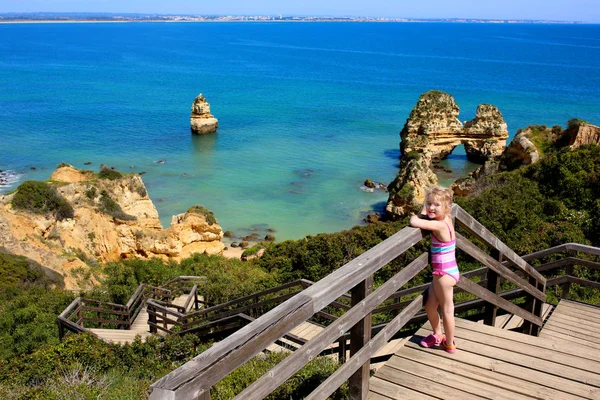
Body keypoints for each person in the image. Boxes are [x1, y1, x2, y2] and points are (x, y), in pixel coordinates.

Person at [410, 187, 458, 353]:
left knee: (447, 310)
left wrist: (415, 215)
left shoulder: (438, 225)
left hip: (443, 274)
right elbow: (431, 212)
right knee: (430, 306)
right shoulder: (447, 218)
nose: (431, 208)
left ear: (446, 207)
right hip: (447, 271)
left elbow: (414, 222)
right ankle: (438, 334)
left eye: (436, 205)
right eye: (429, 204)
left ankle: (449, 343)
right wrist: (429, 209)